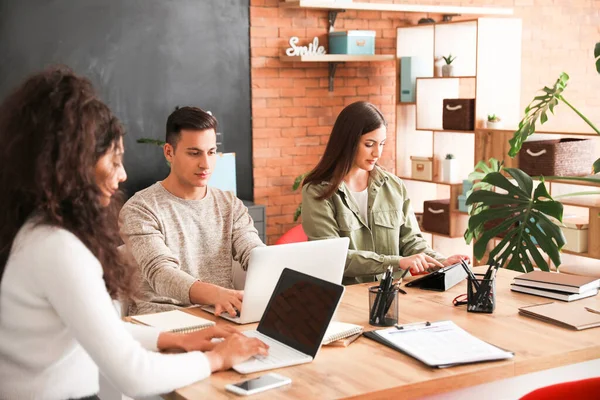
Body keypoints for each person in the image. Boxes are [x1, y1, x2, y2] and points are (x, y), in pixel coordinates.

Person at [0, 66, 268, 400]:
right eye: (114, 161)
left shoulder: (39, 233)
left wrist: (173, 339)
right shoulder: (58, 248)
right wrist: (218, 357)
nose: (123, 174)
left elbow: (100, 333)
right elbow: (135, 375)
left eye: (211, 152)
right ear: (73, 165)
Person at [301, 101, 470, 285]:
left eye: (381, 144)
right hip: (347, 298)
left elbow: (411, 241)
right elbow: (332, 257)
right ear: (348, 142)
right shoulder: (318, 191)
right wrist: (396, 262)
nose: (377, 153)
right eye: (369, 144)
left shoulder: (394, 186)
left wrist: (440, 262)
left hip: (394, 294)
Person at [119, 106, 264, 316]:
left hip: (221, 315)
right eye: (194, 153)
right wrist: (217, 294)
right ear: (169, 152)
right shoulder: (140, 208)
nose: (206, 164)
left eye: (211, 152)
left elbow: (253, 251)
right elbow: (161, 273)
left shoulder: (229, 204)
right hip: (163, 322)